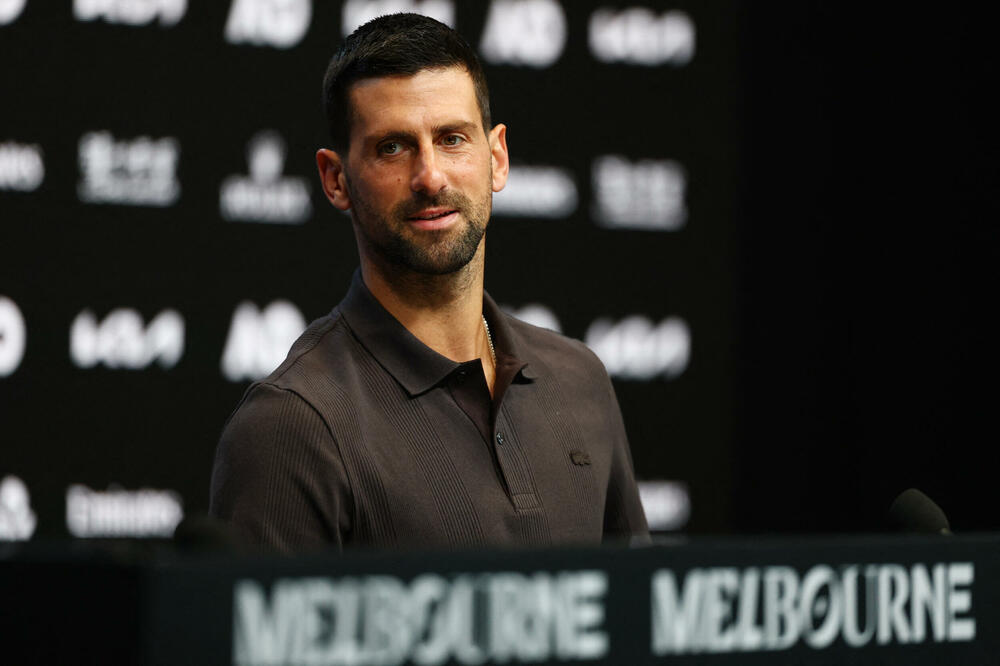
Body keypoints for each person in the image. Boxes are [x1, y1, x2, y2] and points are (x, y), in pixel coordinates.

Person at [209, 13, 649, 552]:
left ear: (497, 157)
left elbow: (635, 627)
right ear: (335, 179)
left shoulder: (580, 379)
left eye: (452, 138)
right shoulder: (290, 426)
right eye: (392, 147)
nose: (431, 176)